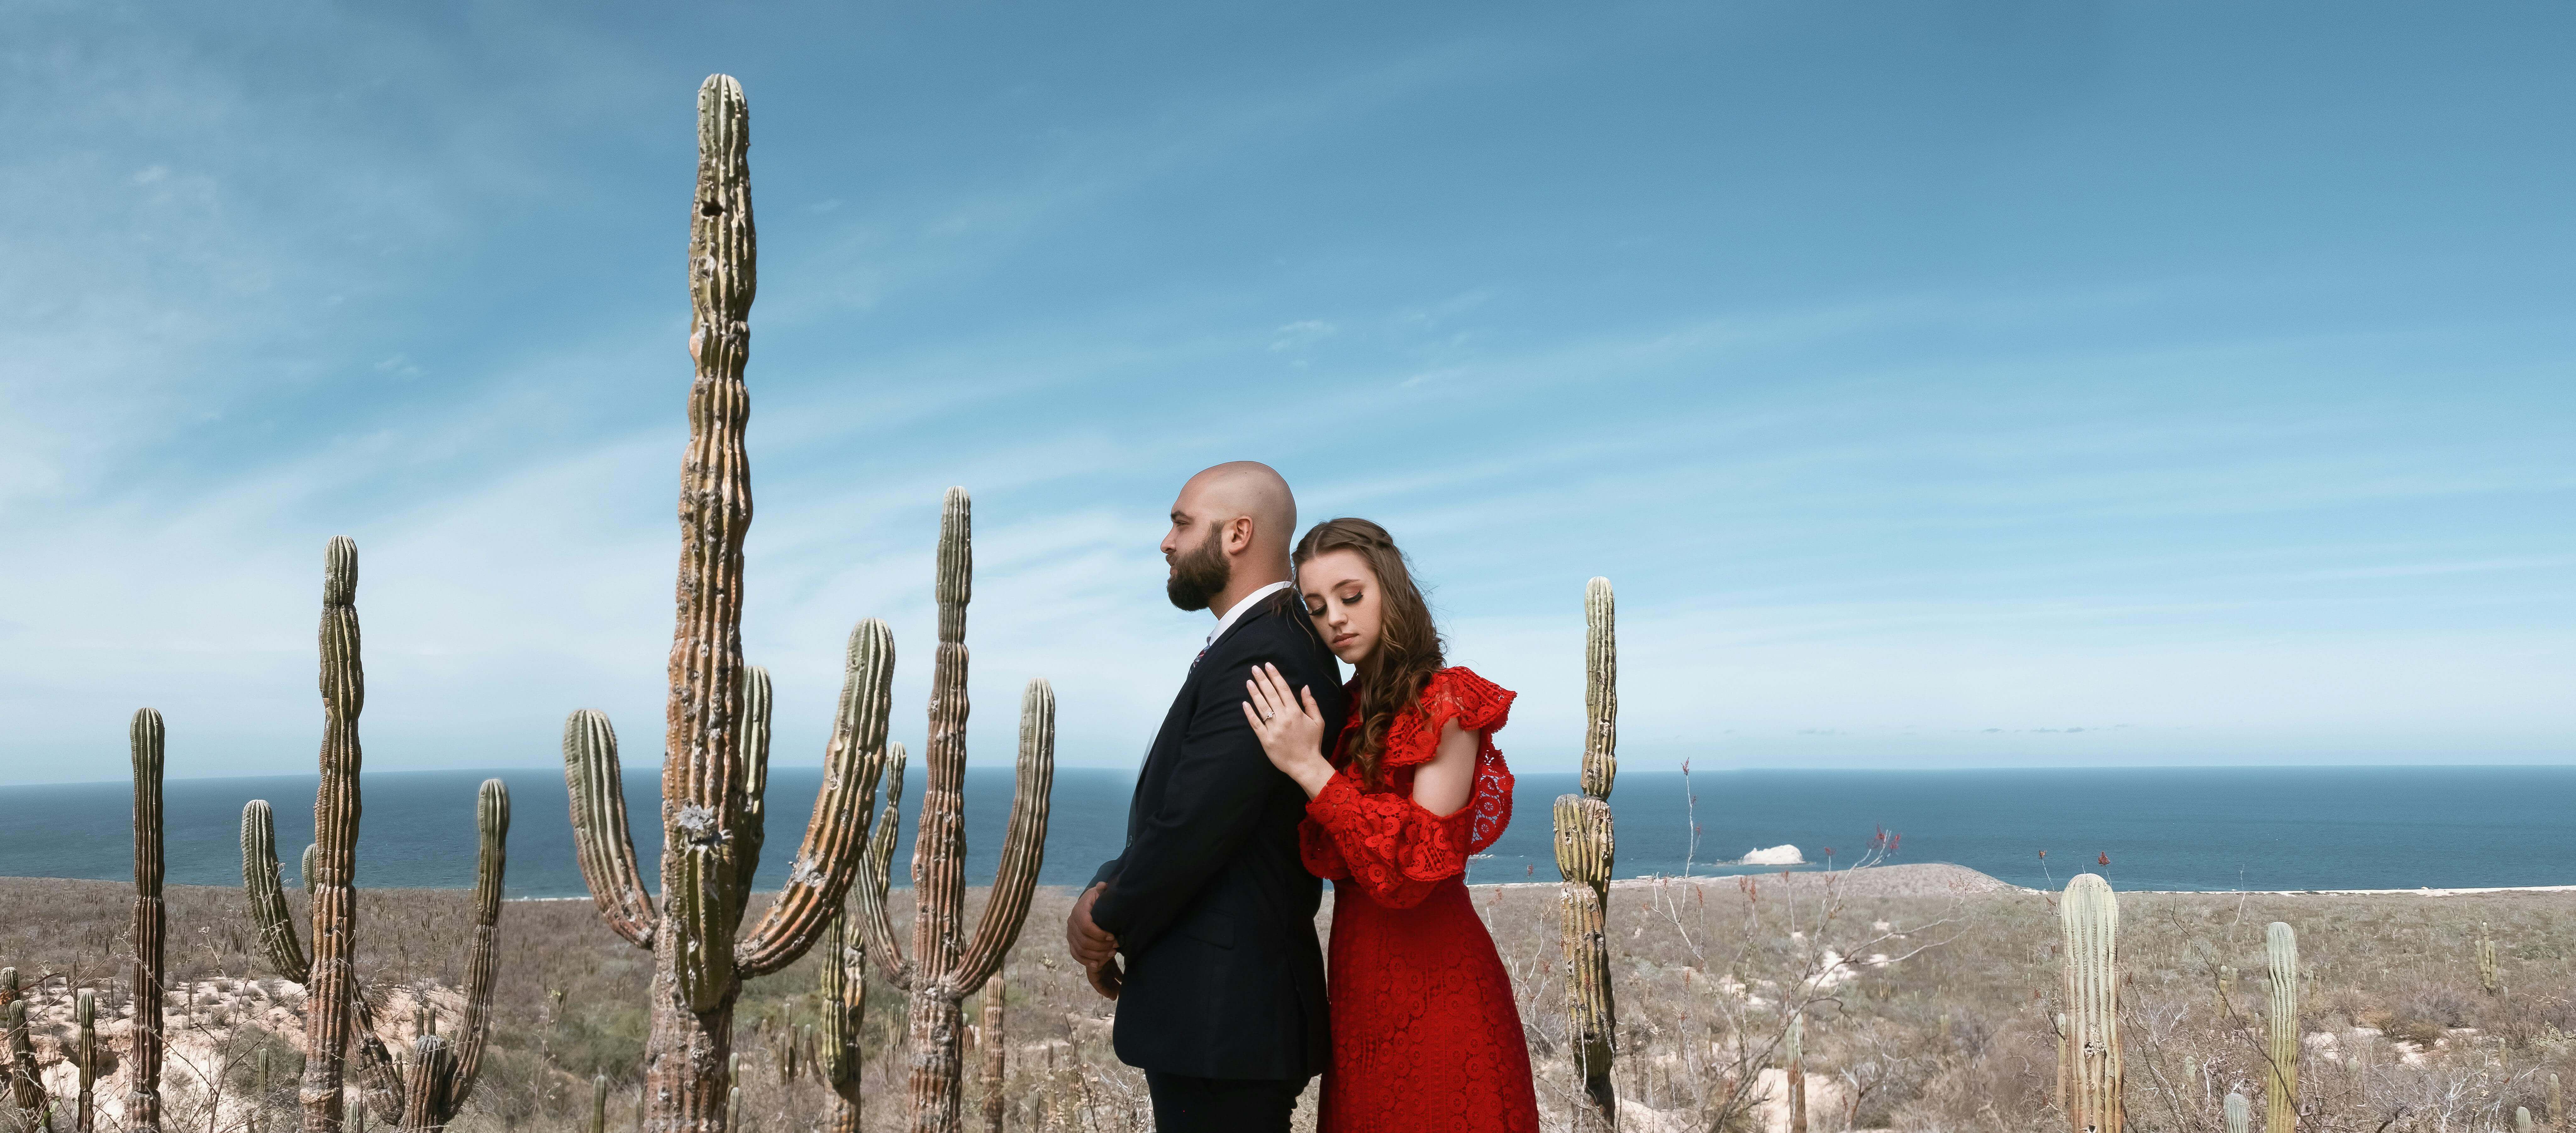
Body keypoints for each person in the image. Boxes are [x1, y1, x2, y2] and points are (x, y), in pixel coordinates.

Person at [1063, 461, 1349, 1133]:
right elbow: (1193, 801)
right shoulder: (1260, 642)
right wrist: (1109, 881)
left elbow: (1197, 822)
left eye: (1181, 522)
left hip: (1226, 1016)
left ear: (1238, 534)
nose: (1166, 541)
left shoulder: (1267, 652)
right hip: (1222, 1019)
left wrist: (1107, 918)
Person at [1240, 516, 1541, 1133]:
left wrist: (1308, 767)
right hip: (1357, 987)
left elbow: (1415, 866)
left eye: (1351, 595)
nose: (1336, 618)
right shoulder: (1342, 709)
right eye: (1318, 606)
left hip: (1440, 984)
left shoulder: (1445, 700)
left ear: (1392, 589)